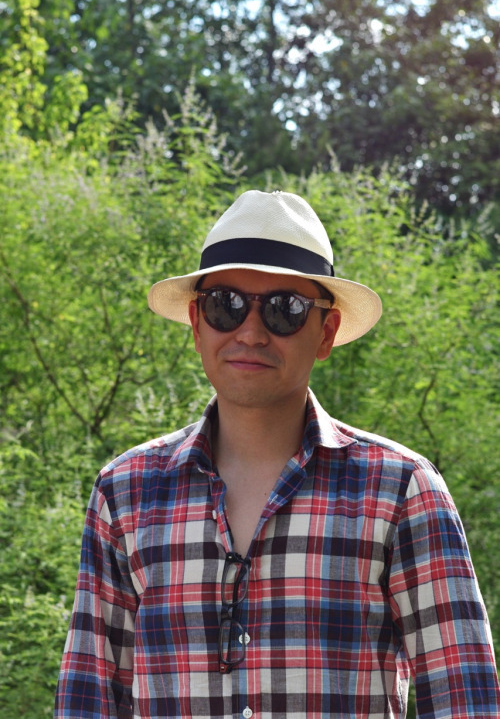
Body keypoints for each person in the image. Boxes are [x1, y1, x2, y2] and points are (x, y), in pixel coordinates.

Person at [54, 190, 500, 719]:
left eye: (284, 310)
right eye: (225, 305)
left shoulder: (401, 490)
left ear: (326, 332)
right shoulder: (126, 491)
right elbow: (88, 699)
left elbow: (464, 699)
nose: (250, 332)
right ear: (196, 323)